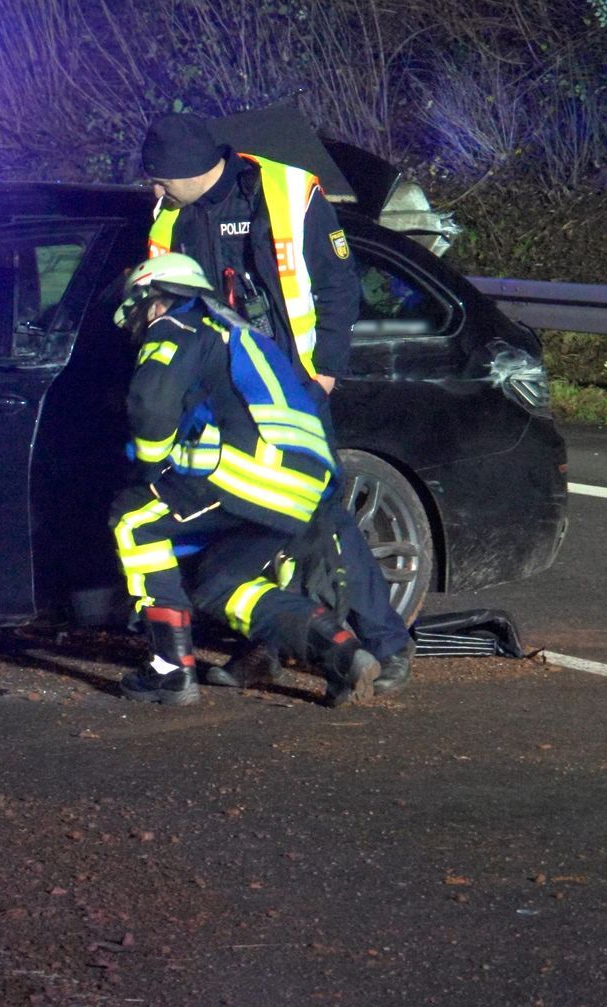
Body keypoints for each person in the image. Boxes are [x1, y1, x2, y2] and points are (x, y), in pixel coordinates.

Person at [139, 113, 415, 694]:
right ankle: (269, 647)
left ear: (191, 168)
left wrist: (325, 372)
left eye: (161, 178)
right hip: (221, 395)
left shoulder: (286, 191)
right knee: (255, 522)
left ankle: (386, 645)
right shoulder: (171, 217)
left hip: (291, 386)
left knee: (318, 515)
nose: (154, 191)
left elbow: (339, 286)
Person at [108, 254, 380, 707]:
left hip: (249, 475)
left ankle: (169, 672)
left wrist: (150, 471)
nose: (136, 326)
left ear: (153, 300)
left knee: (134, 518)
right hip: (301, 489)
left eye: (136, 315)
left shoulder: (177, 326)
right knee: (222, 585)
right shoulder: (241, 334)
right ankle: (342, 652)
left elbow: (151, 406)